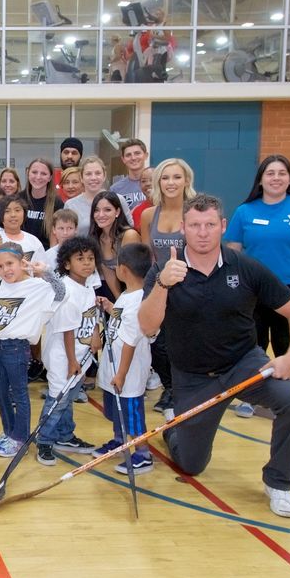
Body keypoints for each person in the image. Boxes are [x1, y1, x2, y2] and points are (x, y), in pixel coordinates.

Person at [139, 193, 290, 519]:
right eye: (195, 225)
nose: (202, 232)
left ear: (222, 226)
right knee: (191, 465)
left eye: (209, 225)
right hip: (192, 377)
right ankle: (174, 428)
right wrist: (163, 284)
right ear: (183, 229)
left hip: (243, 366)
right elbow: (147, 327)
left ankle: (278, 483)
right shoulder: (164, 271)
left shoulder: (245, 268)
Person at [226, 154, 290, 417]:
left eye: (281, 173)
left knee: (288, 344)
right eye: (270, 173)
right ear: (260, 180)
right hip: (253, 291)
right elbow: (233, 252)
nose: (276, 178)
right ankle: (251, 395)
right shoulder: (245, 211)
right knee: (253, 345)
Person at [0, 242, 61, 458]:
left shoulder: (36, 286)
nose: (5, 270)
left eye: (10, 264)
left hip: (16, 348)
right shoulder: (4, 284)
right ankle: (10, 433)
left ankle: (20, 438)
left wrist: (44, 271)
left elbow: (60, 292)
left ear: (22, 262)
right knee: (0, 392)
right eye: (0, 266)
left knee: (19, 394)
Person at [33, 235, 101, 466]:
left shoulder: (87, 287)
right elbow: (67, 332)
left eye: (91, 258)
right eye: (80, 258)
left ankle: (65, 435)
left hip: (81, 356)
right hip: (63, 356)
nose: (87, 263)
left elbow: (90, 315)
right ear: (67, 263)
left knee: (69, 397)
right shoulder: (68, 292)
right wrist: (73, 362)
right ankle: (44, 440)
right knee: (58, 399)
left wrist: (94, 335)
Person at [138, 158, 195, 416]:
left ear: (186, 180)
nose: (171, 183)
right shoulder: (150, 214)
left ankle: (185, 388)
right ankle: (169, 386)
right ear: (158, 182)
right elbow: (148, 254)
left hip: (189, 283)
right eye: (165, 177)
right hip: (158, 282)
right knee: (156, 341)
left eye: (176, 177)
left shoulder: (196, 212)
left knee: (184, 339)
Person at [93, 243, 154, 474]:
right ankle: (120, 440)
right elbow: (121, 321)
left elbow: (130, 342)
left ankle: (142, 453)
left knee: (131, 412)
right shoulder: (127, 295)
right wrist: (110, 308)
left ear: (124, 270)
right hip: (115, 367)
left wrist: (121, 374)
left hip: (127, 371)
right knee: (116, 410)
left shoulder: (140, 300)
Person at [89, 190, 142, 301]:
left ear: (117, 212)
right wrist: (119, 302)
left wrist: (128, 303)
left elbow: (133, 275)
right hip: (119, 293)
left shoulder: (129, 235)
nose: (101, 215)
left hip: (137, 291)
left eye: (107, 210)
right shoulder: (97, 238)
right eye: (96, 210)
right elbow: (108, 273)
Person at [20, 157, 63, 245]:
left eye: (43, 174)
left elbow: (57, 236)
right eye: (34, 172)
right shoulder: (18, 199)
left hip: (45, 255)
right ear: (28, 173)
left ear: (50, 178)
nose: (38, 177)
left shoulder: (57, 203)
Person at [64, 156, 108, 236]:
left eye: (98, 173)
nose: (93, 178)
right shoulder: (70, 205)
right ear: (81, 178)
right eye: (88, 174)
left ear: (104, 176)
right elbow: (66, 235)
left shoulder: (118, 199)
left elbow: (127, 230)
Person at [110, 138, 150, 216]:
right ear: (123, 159)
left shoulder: (157, 184)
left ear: (146, 155)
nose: (133, 158)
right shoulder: (115, 189)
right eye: (128, 155)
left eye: (137, 153)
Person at [130, 166, 155, 231]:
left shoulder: (170, 208)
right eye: (143, 181)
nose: (148, 184)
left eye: (152, 180)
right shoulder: (136, 211)